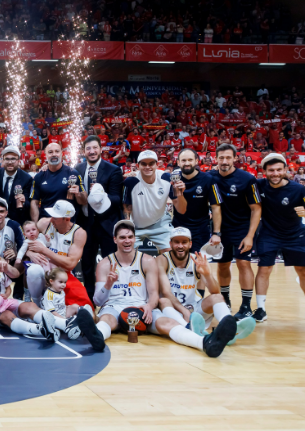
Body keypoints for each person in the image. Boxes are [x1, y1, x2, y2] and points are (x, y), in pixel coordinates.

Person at [93, 220, 237, 357]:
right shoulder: (105, 264)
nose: (127, 240)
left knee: (167, 323)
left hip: (143, 308)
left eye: (130, 237)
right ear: (115, 239)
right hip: (115, 306)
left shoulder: (147, 260)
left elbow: (154, 294)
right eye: (122, 237)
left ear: (134, 239)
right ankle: (97, 338)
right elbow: (98, 301)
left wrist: (149, 305)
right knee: (106, 320)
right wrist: (108, 284)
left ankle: (204, 343)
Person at [157, 227, 255, 342]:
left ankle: (229, 327)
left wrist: (207, 274)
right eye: (176, 242)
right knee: (163, 300)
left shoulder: (197, 259)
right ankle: (189, 329)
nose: (180, 246)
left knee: (217, 297)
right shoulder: (162, 260)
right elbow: (166, 293)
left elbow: (215, 292)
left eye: (184, 242)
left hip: (193, 311)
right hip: (172, 311)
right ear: (170, 244)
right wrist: (184, 311)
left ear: (190, 244)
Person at [253, 154, 305, 322]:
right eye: (271, 170)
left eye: (279, 169)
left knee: (304, 271)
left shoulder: (298, 189)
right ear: (264, 172)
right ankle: (261, 309)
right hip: (269, 233)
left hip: (294, 234)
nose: (275, 173)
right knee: (264, 269)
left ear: (286, 170)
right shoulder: (259, 185)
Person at [210, 144, 261, 316]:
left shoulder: (247, 178)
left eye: (228, 158)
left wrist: (250, 236)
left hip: (241, 228)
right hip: (219, 230)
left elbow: (256, 209)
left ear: (235, 158)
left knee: (243, 263)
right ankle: (225, 300)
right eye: (221, 158)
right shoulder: (209, 177)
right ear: (215, 159)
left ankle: (246, 306)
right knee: (223, 265)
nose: (224, 161)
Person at [74, 136, 123, 301]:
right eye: (88, 148)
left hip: (107, 223)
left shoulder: (113, 170)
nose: (92, 151)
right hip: (86, 224)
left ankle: (114, 299)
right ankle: (89, 300)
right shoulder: (78, 169)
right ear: (83, 151)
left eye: (95, 148)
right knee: (87, 265)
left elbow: (117, 199)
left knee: (112, 264)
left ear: (101, 149)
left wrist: (102, 195)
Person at [22, 200, 92, 308]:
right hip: (43, 268)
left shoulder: (79, 233)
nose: (51, 219)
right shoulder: (44, 223)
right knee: (33, 270)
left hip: (63, 274)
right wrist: (29, 252)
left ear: (67, 218)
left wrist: (45, 250)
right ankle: (37, 304)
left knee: (84, 306)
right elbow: (27, 240)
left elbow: (70, 264)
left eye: (55, 217)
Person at [123, 150, 186, 253]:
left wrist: (180, 194)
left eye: (151, 163)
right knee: (130, 257)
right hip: (137, 227)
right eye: (144, 164)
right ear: (138, 166)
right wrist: (128, 228)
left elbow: (181, 210)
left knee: (171, 255)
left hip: (160, 224)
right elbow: (126, 208)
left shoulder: (166, 178)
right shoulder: (131, 182)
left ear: (157, 165)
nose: (148, 167)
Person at [172, 149, 223, 252]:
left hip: (200, 229)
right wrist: (179, 192)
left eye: (190, 160)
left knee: (199, 264)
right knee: (178, 264)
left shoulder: (208, 179)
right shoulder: (174, 181)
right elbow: (181, 210)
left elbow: (216, 207)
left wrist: (216, 233)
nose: (187, 163)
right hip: (178, 228)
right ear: (178, 162)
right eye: (183, 160)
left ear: (196, 161)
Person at [30, 142, 87, 222]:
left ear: (61, 153)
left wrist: (78, 194)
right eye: (50, 152)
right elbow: (34, 203)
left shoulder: (73, 173)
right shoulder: (39, 176)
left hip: (67, 223)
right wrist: (35, 225)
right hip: (46, 223)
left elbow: (84, 201)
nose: (54, 154)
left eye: (57, 151)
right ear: (45, 155)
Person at [0, 146, 33, 224]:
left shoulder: (26, 178)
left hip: (17, 221)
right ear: (2, 160)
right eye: (7, 159)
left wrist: (23, 201)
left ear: (19, 161)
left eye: (13, 159)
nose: (10, 162)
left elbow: (29, 204)